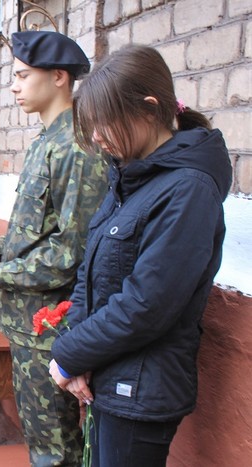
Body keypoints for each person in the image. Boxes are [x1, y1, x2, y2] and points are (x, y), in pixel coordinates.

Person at [49, 45, 232, 467]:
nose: (95, 137)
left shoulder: (188, 190)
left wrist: (71, 353)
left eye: (103, 124)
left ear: (149, 109)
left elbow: (147, 303)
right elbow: (90, 273)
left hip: (141, 388)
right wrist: (78, 358)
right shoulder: (132, 177)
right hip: (107, 376)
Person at [0, 31, 109, 466]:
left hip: (50, 326)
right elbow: (34, 231)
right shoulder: (47, 141)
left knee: (55, 449)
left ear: (59, 77)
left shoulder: (76, 148)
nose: (14, 87)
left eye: (23, 76)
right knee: (42, 441)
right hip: (28, 322)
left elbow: (71, 251)